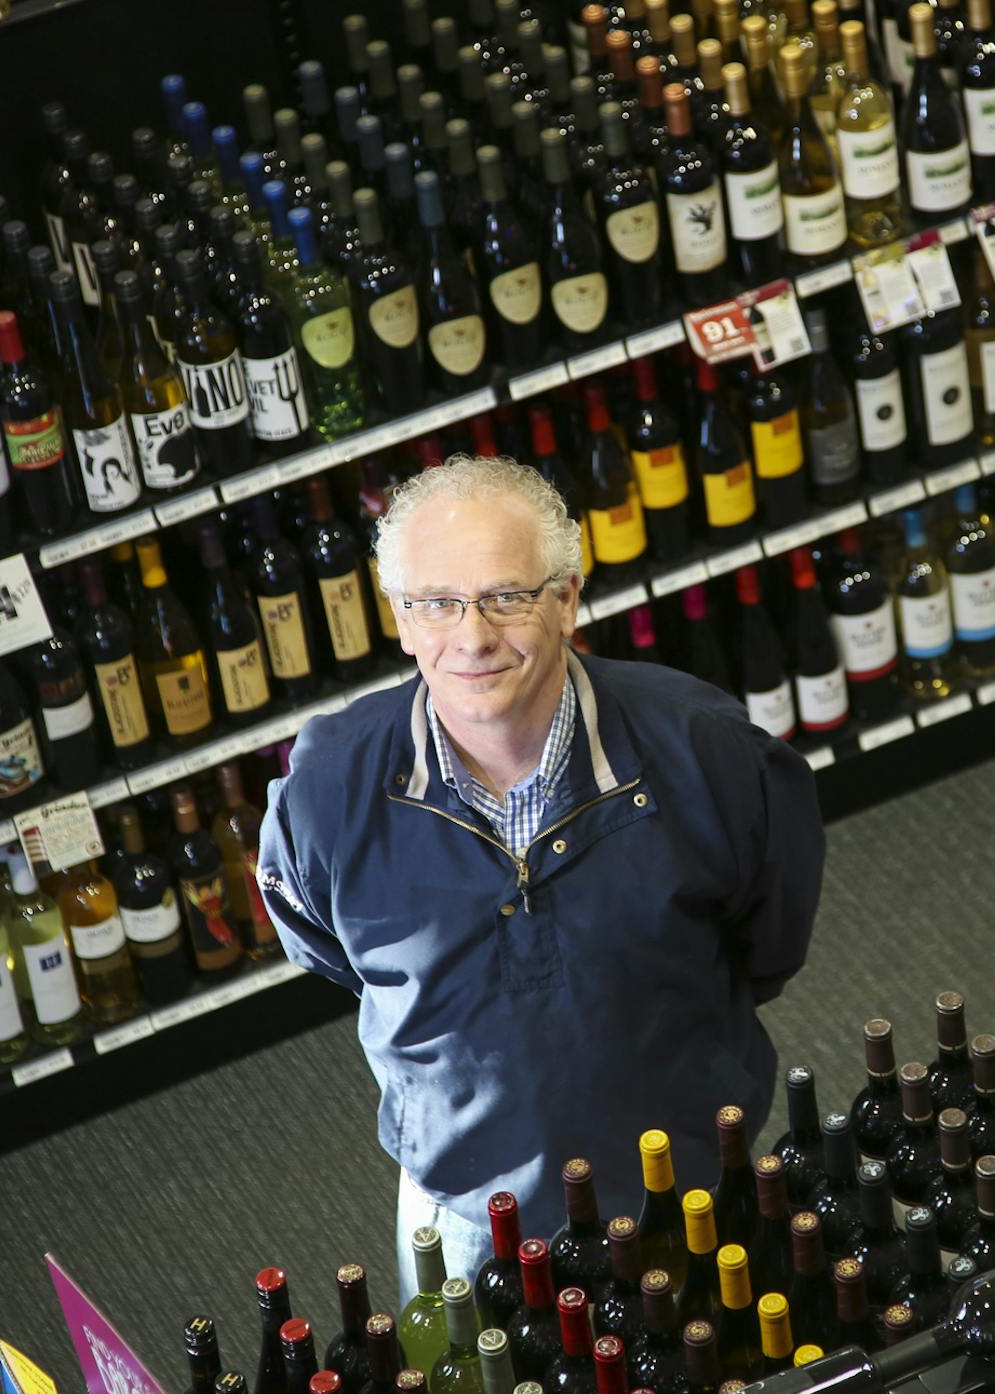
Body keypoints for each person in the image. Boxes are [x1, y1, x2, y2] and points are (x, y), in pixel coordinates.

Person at [256, 454, 825, 1288]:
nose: (473, 635)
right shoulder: (326, 792)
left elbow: (769, 939)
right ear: (401, 621)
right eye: (437, 603)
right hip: (465, 1217)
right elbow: (325, 948)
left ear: (567, 598)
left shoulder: (708, 752)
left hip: (687, 1188)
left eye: (507, 595)